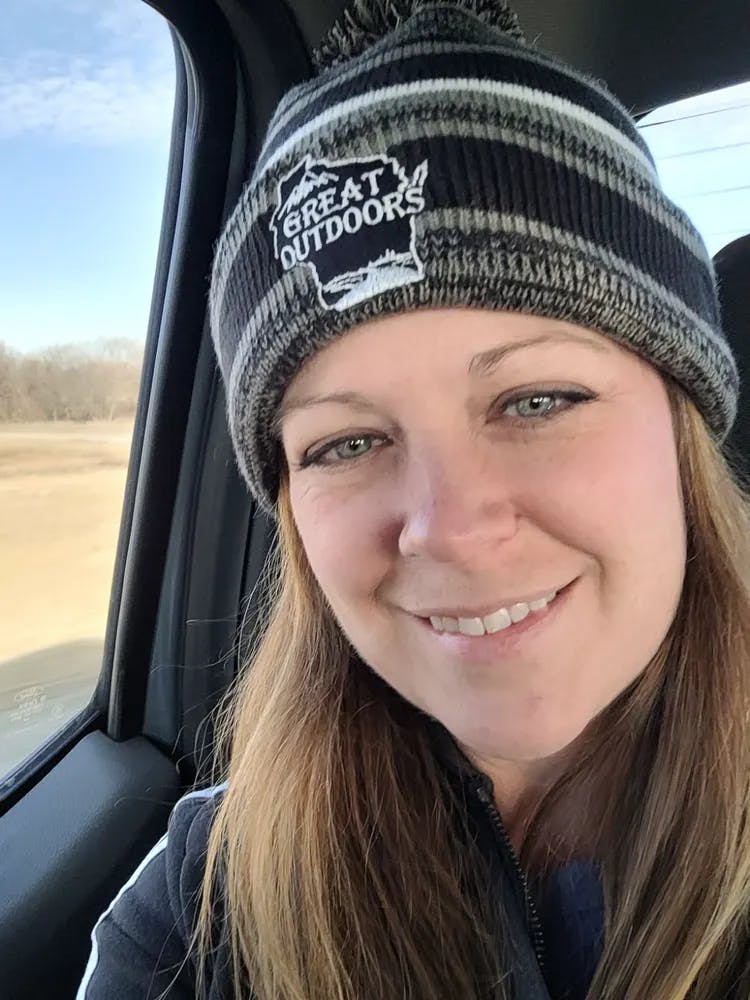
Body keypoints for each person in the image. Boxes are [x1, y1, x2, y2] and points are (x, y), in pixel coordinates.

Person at [76, 1, 750, 998]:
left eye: (538, 398)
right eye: (347, 442)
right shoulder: (203, 902)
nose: (450, 528)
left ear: (683, 423)